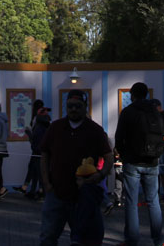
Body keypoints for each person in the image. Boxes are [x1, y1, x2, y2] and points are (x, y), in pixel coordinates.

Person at [39, 89, 113, 246]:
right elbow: (44, 153)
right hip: (57, 193)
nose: (73, 109)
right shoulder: (55, 128)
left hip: (84, 197)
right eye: (70, 105)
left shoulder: (95, 130)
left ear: (85, 106)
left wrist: (100, 175)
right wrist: (46, 182)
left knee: (86, 240)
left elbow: (108, 156)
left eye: (78, 106)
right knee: (47, 237)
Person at [114, 82, 164, 246]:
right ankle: (158, 241)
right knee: (153, 201)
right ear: (147, 94)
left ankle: (132, 240)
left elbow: (119, 136)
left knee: (131, 201)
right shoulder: (154, 111)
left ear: (132, 95)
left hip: (132, 162)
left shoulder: (128, 111)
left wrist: (123, 154)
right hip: (152, 162)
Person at [18, 105, 52, 199]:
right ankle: (37, 191)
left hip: (38, 152)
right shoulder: (48, 126)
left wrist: (29, 134)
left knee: (38, 172)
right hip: (44, 152)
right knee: (37, 171)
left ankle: (39, 192)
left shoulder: (39, 127)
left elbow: (35, 142)